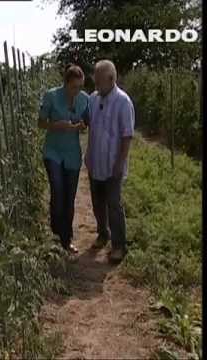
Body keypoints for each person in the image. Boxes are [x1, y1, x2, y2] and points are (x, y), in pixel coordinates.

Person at [83, 59, 135, 263]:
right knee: (97, 201)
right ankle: (103, 234)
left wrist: (120, 162)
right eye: (95, 82)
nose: (96, 86)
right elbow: (92, 129)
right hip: (96, 159)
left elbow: (127, 135)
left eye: (99, 82)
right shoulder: (94, 99)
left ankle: (119, 245)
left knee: (113, 203)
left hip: (114, 163)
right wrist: (88, 153)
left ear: (111, 79)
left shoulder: (123, 102)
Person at [38, 64, 89, 254]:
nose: (77, 90)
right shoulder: (51, 96)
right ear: (66, 84)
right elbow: (40, 122)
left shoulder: (84, 100)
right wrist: (55, 125)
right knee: (57, 192)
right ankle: (55, 235)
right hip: (53, 151)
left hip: (72, 154)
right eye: (74, 86)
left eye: (80, 86)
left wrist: (82, 126)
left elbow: (85, 122)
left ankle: (66, 240)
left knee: (69, 197)